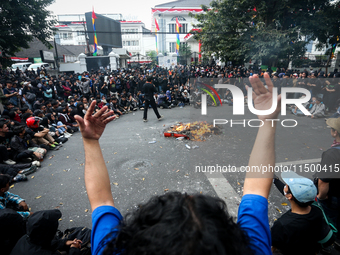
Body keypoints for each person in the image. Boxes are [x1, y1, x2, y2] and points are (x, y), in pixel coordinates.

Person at [74, 72, 280, 255]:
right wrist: (268, 120)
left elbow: (101, 201)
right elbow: (256, 189)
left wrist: (90, 141)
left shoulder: (113, 249)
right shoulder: (250, 249)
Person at [271, 172, 323, 255]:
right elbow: (294, 195)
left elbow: (273, 245)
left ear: (289, 196)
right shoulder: (317, 211)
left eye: (287, 185)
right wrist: (275, 180)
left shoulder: (282, 225)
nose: (285, 186)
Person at [317, 117, 340, 244]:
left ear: (335, 132)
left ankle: (333, 241)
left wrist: (321, 197)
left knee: (331, 220)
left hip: (334, 196)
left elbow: (323, 181)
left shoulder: (331, 154)